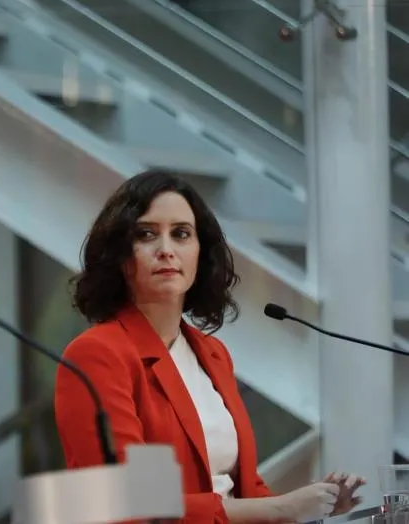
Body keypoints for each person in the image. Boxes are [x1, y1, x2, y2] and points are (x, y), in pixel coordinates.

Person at [54, 170, 364, 523]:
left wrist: (312, 503)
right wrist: (284, 508)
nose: (166, 250)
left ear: (200, 253)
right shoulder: (98, 354)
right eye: (146, 234)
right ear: (121, 257)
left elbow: (243, 489)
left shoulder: (212, 354)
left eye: (181, 234)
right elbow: (132, 504)